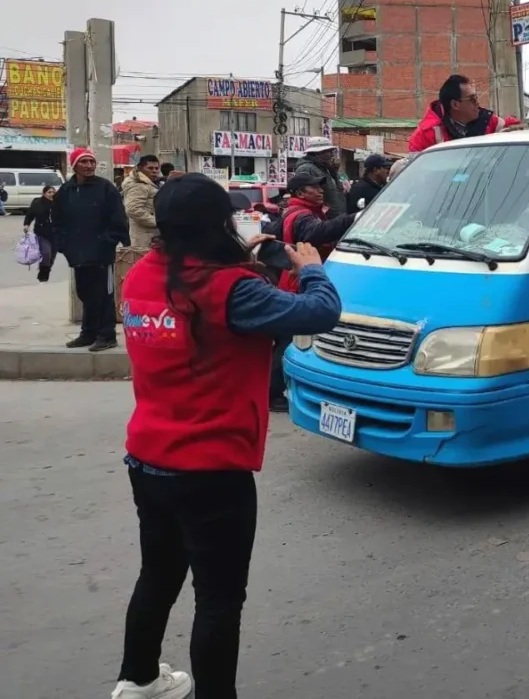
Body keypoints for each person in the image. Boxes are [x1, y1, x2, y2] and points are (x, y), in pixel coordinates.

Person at [113, 173, 342, 699]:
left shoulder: (143, 274)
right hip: (211, 469)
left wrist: (246, 259)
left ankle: (138, 679)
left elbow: (210, 304)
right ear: (218, 224)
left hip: (148, 458)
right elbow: (320, 312)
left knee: (158, 574)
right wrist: (312, 270)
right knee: (218, 599)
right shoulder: (230, 289)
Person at [264, 171, 356, 412]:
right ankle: (272, 393)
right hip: (299, 283)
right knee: (288, 341)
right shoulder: (302, 215)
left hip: (293, 280)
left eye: (320, 186)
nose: (320, 190)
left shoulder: (296, 212)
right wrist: (355, 218)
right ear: (300, 193)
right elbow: (318, 233)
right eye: (314, 187)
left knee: (288, 339)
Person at [53, 147, 130, 352]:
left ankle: (107, 335)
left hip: (101, 254)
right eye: (84, 162)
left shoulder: (106, 188)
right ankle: (88, 333)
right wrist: (63, 245)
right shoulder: (66, 191)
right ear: (74, 165)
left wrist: (107, 242)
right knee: (85, 293)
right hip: (78, 254)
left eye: (91, 162)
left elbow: (118, 219)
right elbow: (57, 221)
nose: (89, 165)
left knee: (103, 295)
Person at [408, 74, 520, 153]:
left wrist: (516, 131)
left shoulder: (490, 122)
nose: (478, 103)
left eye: (476, 97)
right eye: (472, 99)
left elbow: (515, 128)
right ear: (455, 105)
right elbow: (416, 171)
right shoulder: (425, 135)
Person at [294, 138, 347, 215]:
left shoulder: (325, 168)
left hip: (335, 216)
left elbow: (337, 191)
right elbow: (305, 196)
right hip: (322, 217)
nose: (332, 155)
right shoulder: (306, 169)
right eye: (329, 152)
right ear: (318, 153)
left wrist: (334, 172)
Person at [122, 154, 161, 249]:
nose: (154, 171)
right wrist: (157, 222)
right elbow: (133, 209)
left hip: (150, 234)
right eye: (150, 168)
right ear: (140, 168)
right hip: (144, 236)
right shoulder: (138, 185)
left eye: (156, 168)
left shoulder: (149, 183)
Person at [23, 184, 58, 282]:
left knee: (52, 256)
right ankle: (43, 274)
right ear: (44, 193)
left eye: (53, 192)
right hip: (42, 232)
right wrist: (27, 225)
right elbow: (30, 214)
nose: (51, 194)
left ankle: (46, 270)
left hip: (55, 233)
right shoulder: (37, 203)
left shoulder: (58, 203)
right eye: (49, 192)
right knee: (46, 253)